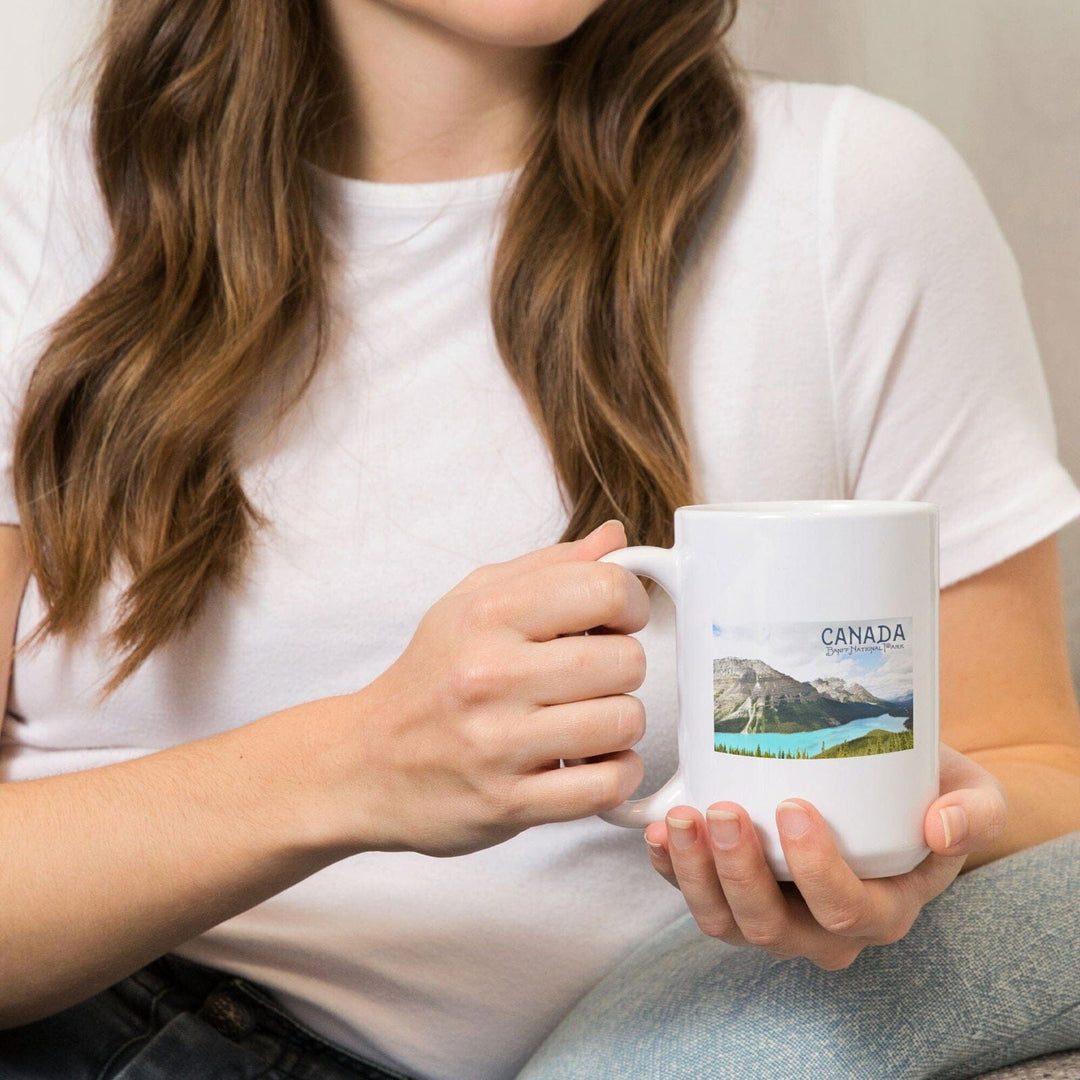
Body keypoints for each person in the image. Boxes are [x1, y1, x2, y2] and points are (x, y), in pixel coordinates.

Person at [0, 1, 1078, 1078]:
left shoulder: (853, 197)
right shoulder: (39, 219)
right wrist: (359, 763)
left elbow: (1033, 767)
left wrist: (924, 845)